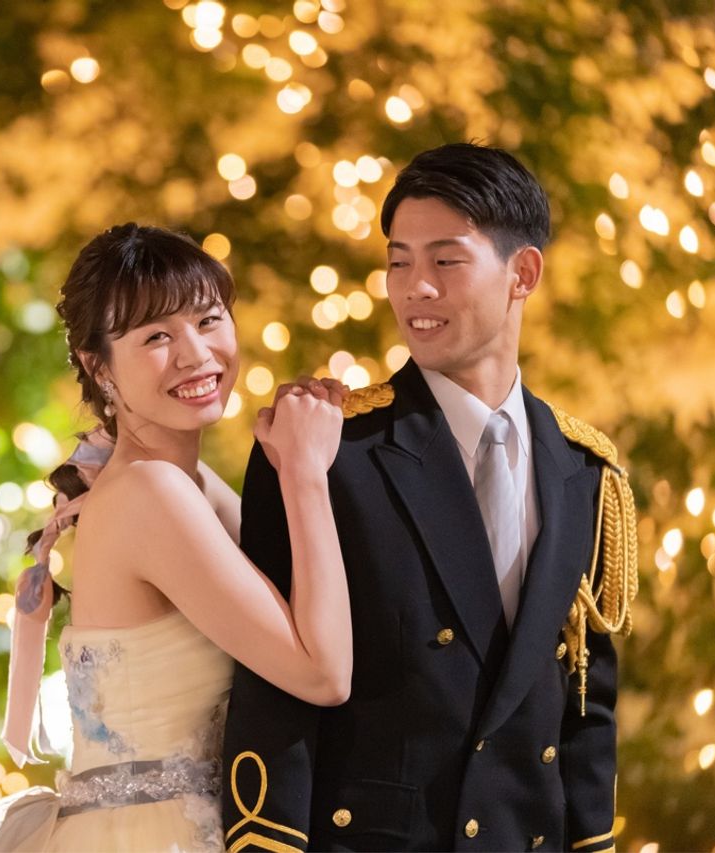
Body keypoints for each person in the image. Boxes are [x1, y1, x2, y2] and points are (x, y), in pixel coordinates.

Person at [0, 223, 367, 852]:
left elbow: (301, 608)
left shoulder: (189, 482)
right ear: (100, 367)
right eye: (156, 337)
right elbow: (323, 673)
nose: (196, 354)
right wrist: (305, 474)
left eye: (208, 320)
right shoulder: (151, 491)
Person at [222, 143, 637, 851]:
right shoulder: (327, 450)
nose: (415, 287)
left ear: (523, 273)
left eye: (446, 261)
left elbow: (585, 700)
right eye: (398, 262)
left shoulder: (585, 471)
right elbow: (271, 692)